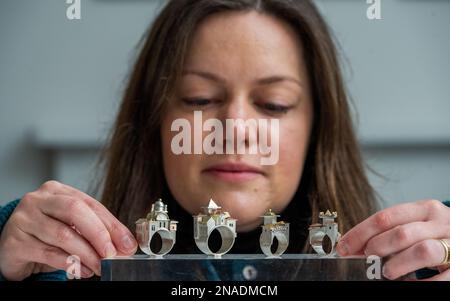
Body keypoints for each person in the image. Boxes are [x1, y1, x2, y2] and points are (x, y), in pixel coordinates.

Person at [0, 0, 449, 281]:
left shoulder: (410, 270)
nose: (234, 127)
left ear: (317, 129)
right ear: (155, 120)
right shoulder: (55, 269)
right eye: (200, 99)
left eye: (273, 104)